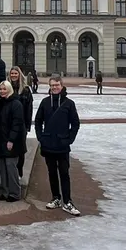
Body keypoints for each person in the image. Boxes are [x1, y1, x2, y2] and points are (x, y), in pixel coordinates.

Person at [35, 75, 81, 216]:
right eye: (52, 85)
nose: (54, 88)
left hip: (62, 144)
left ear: (61, 86)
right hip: (48, 143)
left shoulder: (69, 104)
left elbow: (75, 123)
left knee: (64, 173)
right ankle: (56, 198)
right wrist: (41, 138)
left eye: (56, 85)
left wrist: (69, 139)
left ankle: (67, 201)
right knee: (52, 172)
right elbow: (38, 121)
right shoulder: (45, 102)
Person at [0, 80, 25, 202]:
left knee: (11, 167)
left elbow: (17, 123)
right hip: (1, 140)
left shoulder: (16, 104)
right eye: (0, 89)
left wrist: (11, 140)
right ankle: (6, 191)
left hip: (12, 141)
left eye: (4, 89)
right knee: (2, 168)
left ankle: (15, 193)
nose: (2, 91)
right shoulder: (0, 103)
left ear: (9, 90)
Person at [10, 67, 33, 178]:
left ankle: (19, 171)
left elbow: (29, 109)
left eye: (16, 73)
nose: (13, 75)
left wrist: (27, 126)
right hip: (8, 123)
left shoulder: (25, 90)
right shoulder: (6, 88)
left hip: (21, 124)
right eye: (12, 73)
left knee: (20, 149)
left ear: (19, 75)